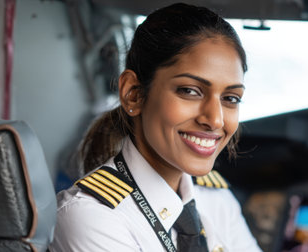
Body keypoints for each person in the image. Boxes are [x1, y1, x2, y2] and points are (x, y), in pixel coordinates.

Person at [49, 3, 262, 252]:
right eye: (190, 91)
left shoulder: (217, 200)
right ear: (133, 94)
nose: (215, 120)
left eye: (230, 98)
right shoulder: (90, 217)